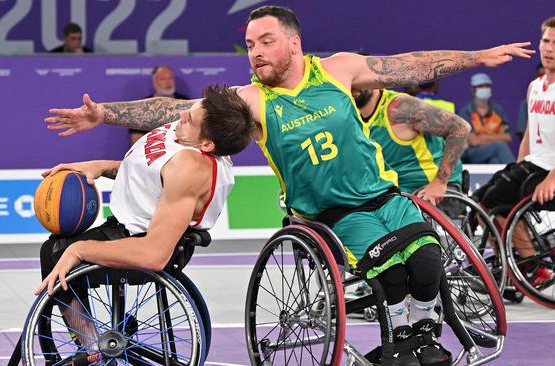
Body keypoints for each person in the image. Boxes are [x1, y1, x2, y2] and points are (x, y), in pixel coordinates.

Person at [44, 6, 532, 365]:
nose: (255, 52)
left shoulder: (338, 70)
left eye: (265, 41)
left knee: (427, 260)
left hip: (384, 193)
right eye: (251, 44)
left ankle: (420, 334)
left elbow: (412, 64)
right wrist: (103, 113)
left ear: (293, 43)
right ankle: (400, 343)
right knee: (393, 273)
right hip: (330, 214)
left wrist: (478, 56)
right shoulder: (252, 101)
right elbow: (171, 111)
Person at [35, 85, 253, 361]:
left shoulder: (191, 169)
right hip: (127, 228)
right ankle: (93, 342)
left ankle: (90, 348)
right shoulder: (191, 134)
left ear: (207, 145)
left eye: (190, 119)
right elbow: (152, 172)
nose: (182, 116)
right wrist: (100, 166)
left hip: (144, 243)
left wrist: (79, 251)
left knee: (54, 252)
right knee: (63, 249)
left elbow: (154, 255)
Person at [475, 16, 555, 287]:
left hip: (550, 170)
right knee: (479, 202)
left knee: (493, 202)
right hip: (535, 164)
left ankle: (532, 265)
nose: (549, 48)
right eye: (546, 41)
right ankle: (510, 266)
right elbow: (531, 135)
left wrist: (552, 178)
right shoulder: (535, 87)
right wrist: (518, 167)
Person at [351, 87, 470, 205]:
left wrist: (439, 183)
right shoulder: (345, 113)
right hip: (393, 194)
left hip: (432, 191)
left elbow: (460, 128)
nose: (353, 85)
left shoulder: (401, 108)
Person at [458, 73, 515, 163]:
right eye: (480, 86)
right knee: (500, 146)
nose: (484, 88)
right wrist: (496, 138)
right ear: (473, 89)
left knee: (495, 161)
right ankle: (516, 173)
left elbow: (507, 137)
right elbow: (473, 141)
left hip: (492, 151)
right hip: (472, 153)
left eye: (487, 86)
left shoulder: (497, 110)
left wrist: (482, 137)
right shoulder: (466, 112)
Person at [129, 65, 190, 144]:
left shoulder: (185, 102)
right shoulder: (142, 106)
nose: (168, 82)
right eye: (163, 79)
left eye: (170, 78)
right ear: (154, 82)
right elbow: (136, 139)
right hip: (152, 150)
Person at [516, 62, 546, 139]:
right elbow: (522, 133)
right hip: (535, 145)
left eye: (546, 76)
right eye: (540, 76)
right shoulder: (526, 104)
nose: (543, 79)